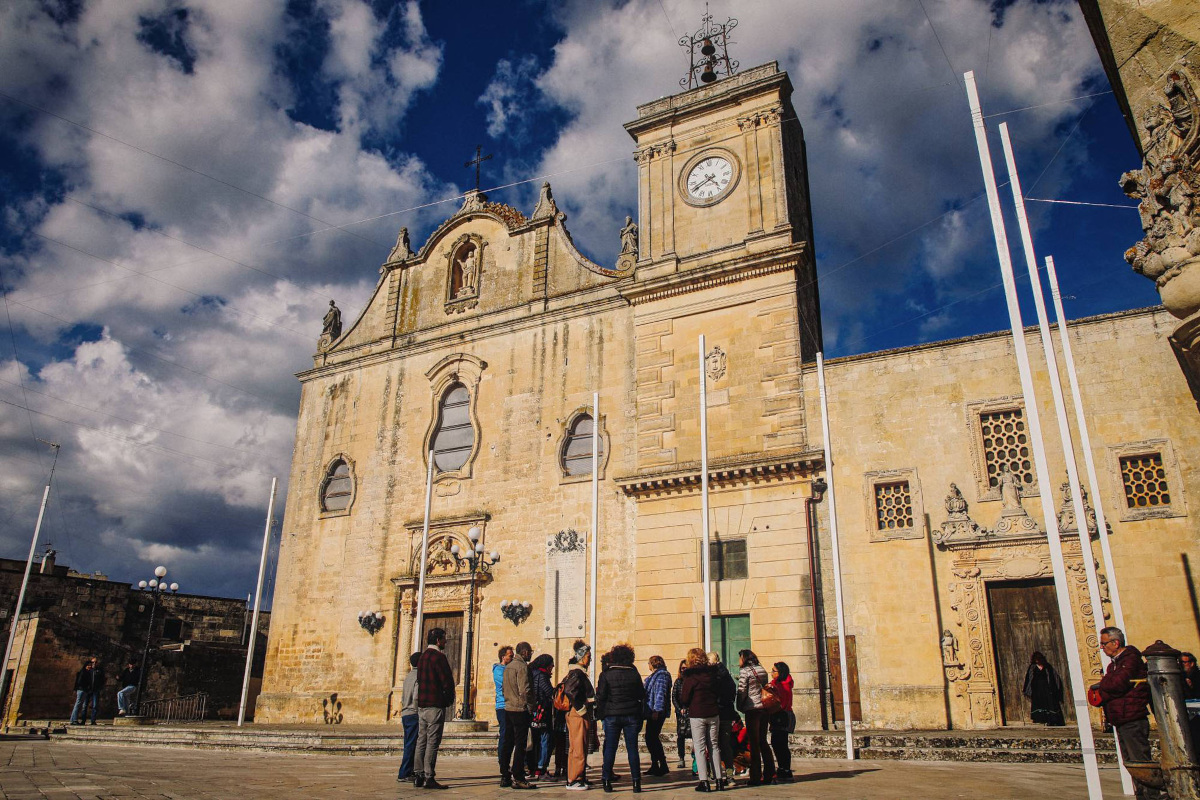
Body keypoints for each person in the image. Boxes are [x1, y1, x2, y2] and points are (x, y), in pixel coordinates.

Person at [1091, 627, 1152, 765]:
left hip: (1131, 717)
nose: (1101, 647)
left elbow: (1117, 684)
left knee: (1140, 763)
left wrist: (1103, 684)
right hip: (1121, 718)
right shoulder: (1114, 665)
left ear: (1116, 643)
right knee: (1130, 762)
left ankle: (1147, 787)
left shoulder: (1129, 660)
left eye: (1104, 644)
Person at [595, 643, 644, 794]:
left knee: (610, 748)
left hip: (612, 715)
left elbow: (601, 696)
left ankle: (607, 781)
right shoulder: (634, 673)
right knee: (632, 749)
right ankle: (636, 782)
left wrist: (601, 712)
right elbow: (641, 694)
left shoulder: (606, 674)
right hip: (631, 714)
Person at [414, 627, 455, 790]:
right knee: (432, 741)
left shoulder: (422, 657)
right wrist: (448, 698)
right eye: (444, 639)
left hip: (422, 705)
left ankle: (418, 774)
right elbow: (446, 680)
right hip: (435, 705)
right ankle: (429, 776)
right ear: (438, 640)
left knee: (421, 740)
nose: (445, 641)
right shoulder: (439, 657)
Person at [681, 648, 722, 793]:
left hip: (697, 713)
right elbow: (719, 691)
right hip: (713, 713)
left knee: (699, 747)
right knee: (714, 746)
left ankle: (704, 781)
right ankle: (719, 780)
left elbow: (684, 698)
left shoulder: (690, 677)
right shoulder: (713, 674)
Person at [736, 649, 775, 786]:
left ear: (744, 658)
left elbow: (742, 691)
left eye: (740, 658)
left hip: (752, 709)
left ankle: (755, 776)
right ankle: (770, 772)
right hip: (764, 708)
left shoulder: (745, 671)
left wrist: (739, 706)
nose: (739, 661)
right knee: (763, 741)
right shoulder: (762, 669)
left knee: (753, 743)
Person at [501, 641, 535, 789]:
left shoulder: (508, 667)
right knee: (520, 744)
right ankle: (519, 776)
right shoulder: (522, 667)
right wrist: (530, 706)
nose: (531, 654)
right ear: (525, 652)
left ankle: (504, 774)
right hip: (520, 709)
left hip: (508, 708)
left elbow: (503, 688)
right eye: (530, 652)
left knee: (508, 742)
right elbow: (525, 689)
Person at [563, 640, 595, 791]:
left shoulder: (577, 672)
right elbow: (570, 691)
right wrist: (581, 708)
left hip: (577, 713)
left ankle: (578, 776)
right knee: (578, 747)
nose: (590, 659)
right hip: (577, 713)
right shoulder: (577, 673)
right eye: (588, 656)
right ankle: (573, 779)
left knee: (578, 746)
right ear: (581, 657)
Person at [707, 651, 739, 781]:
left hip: (715, 712)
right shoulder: (727, 675)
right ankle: (730, 774)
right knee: (726, 745)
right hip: (727, 713)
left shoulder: (713, 675)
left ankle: (714, 773)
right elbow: (732, 693)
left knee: (713, 744)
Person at [642, 655, 671, 777]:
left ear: (653, 664)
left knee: (652, 737)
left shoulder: (662, 676)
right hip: (652, 711)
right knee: (650, 737)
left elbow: (660, 693)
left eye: (649, 663)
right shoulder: (655, 676)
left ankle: (662, 764)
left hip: (656, 712)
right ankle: (655, 764)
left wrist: (656, 710)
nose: (648, 665)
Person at [768, 662, 795, 782]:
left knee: (780, 744)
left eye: (774, 671)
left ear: (780, 672)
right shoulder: (779, 684)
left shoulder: (783, 686)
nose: (771, 673)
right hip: (781, 715)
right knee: (778, 743)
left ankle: (785, 769)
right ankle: (783, 768)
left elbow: (781, 703)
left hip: (782, 715)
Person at [530, 653, 556, 780]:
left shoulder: (533, 673)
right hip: (542, 712)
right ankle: (541, 769)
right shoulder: (542, 676)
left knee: (536, 741)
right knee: (545, 740)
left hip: (534, 712)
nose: (552, 667)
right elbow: (550, 693)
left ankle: (533, 767)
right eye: (551, 665)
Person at [1023, 651, 1065, 726]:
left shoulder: (1047, 666)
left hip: (1047, 688)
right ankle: (1042, 719)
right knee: (1040, 704)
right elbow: (1029, 678)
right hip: (1037, 689)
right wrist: (1029, 689)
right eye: (1036, 660)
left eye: (1039, 660)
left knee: (1050, 703)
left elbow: (1054, 677)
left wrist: (1055, 688)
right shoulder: (1033, 667)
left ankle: (1051, 720)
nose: (1038, 661)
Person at [397, 653, 421, 782]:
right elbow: (416, 696)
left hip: (405, 713)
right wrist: (420, 709)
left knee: (409, 743)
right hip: (413, 713)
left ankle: (408, 771)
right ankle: (404, 773)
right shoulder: (418, 677)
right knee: (411, 744)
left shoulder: (408, 676)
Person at [494, 646, 514, 771]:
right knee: (505, 735)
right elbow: (505, 684)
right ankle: (502, 762)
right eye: (510, 656)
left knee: (510, 736)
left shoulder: (509, 668)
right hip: (502, 706)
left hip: (511, 706)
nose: (512, 658)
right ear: (503, 657)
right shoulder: (498, 670)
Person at [70, 657, 104, 725]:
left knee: (93, 706)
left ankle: (91, 720)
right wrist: (85, 687)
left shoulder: (98, 671)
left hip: (92, 690)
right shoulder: (84, 672)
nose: (93, 664)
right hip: (84, 690)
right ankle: (77, 720)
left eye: (95, 662)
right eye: (92, 663)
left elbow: (102, 679)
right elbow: (80, 681)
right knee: (81, 705)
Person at [672, 659, 690, 769]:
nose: (684, 670)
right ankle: (681, 758)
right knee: (681, 735)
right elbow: (674, 697)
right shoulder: (678, 681)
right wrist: (680, 709)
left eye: (686, 668)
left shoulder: (692, 680)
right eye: (682, 668)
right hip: (681, 713)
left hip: (691, 712)